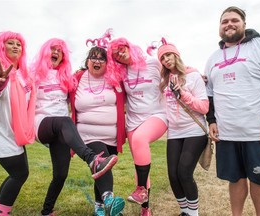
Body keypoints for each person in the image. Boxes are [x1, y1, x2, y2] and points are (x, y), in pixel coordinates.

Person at [31, 38, 119, 216]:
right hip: (42, 122)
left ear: (63, 56)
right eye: (52, 49)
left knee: (61, 174)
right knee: (65, 121)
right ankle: (92, 160)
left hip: (62, 130)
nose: (56, 52)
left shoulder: (67, 77)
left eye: (59, 50)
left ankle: (46, 212)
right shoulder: (33, 74)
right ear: (44, 53)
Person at [205, 6, 260, 216]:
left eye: (234, 20)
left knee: (259, 180)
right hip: (227, 133)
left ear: (244, 23)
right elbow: (210, 93)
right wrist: (212, 120)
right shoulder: (213, 58)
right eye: (224, 21)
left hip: (257, 132)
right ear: (219, 27)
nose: (229, 24)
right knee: (235, 179)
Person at [106, 37, 167, 216]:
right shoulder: (122, 72)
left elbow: (173, 70)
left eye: (121, 48)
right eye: (116, 54)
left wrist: (191, 71)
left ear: (129, 46)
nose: (120, 54)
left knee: (141, 139)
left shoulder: (153, 62)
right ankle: (145, 208)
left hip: (157, 115)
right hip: (133, 122)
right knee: (139, 166)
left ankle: (140, 190)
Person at [149, 38, 209, 216]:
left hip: (194, 130)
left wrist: (182, 94)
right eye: (162, 58)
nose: (166, 59)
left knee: (184, 172)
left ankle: (194, 213)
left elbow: (204, 107)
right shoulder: (164, 81)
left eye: (168, 55)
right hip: (175, 132)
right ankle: (185, 211)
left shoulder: (193, 76)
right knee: (173, 176)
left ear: (176, 55)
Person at [69, 33, 126, 216]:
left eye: (102, 58)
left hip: (112, 135)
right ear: (87, 61)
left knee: (101, 170)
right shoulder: (77, 79)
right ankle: (109, 201)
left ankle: (99, 207)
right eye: (93, 57)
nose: (97, 61)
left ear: (107, 63)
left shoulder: (114, 79)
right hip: (88, 135)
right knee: (100, 161)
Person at [0, 31, 35, 216]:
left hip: (15, 133)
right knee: (19, 174)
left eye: (19, 44)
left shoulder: (23, 75)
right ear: (1, 47)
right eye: (10, 43)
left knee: (18, 174)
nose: (15, 46)